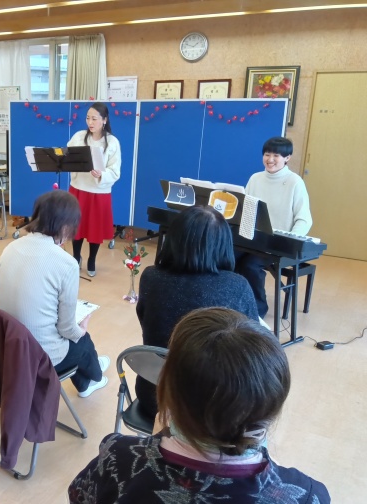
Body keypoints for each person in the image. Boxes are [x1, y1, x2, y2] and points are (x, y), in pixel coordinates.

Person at [69, 308, 331, 504]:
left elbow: (79, 495)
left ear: (168, 390)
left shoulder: (117, 458)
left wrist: (156, 441)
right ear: (272, 409)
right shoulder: (307, 496)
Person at [136, 206, 258, 418]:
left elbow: (145, 320)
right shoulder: (237, 286)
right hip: (210, 409)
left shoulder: (150, 277)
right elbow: (252, 346)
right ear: (223, 245)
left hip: (155, 397)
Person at [0, 190, 109, 398]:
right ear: (67, 225)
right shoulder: (66, 263)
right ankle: (94, 378)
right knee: (82, 339)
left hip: (5, 349)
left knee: (75, 339)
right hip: (40, 357)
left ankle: (88, 374)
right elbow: (66, 329)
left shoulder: (10, 247)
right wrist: (81, 330)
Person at [236, 137, 312, 317]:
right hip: (253, 239)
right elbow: (247, 210)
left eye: (276, 155)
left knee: (250, 265)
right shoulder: (255, 178)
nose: (270, 159)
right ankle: (235, 302)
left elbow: (304, 220)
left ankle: (257, 311)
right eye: (267, 154)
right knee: (226, 257)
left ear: (287, 158)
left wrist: (290, 241)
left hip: (277, 244)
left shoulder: (295, 182)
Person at [67, 102, 121, 277]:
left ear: (104, 120)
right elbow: (68, 157)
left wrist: (101, 175)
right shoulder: (79, 136)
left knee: (94, 228)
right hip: (78, 189)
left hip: (99, 193)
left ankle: (91, 259)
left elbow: (115, 171)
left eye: (94, 119)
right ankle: (76, 257)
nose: (90, 122)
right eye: (88, 118)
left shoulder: (112, 142)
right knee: (76, 226)